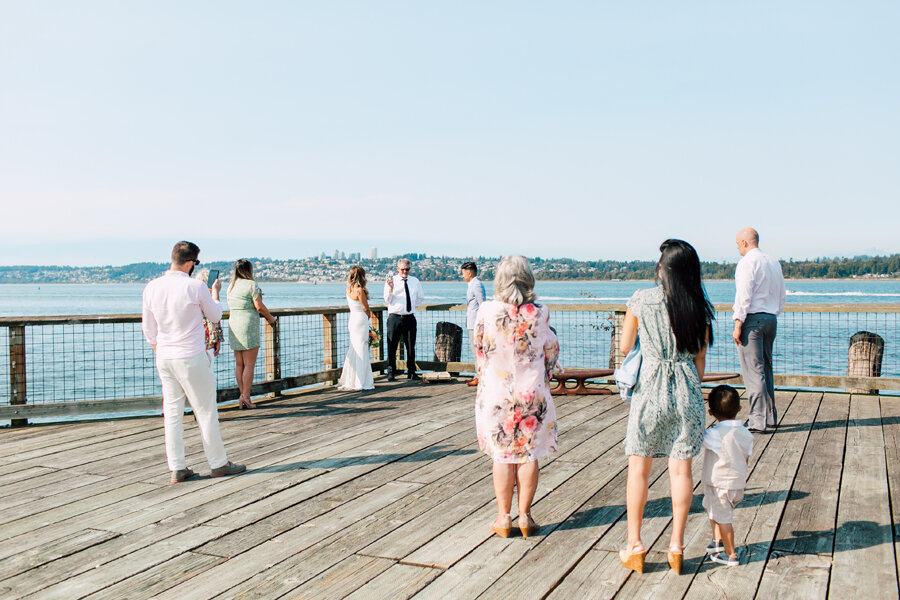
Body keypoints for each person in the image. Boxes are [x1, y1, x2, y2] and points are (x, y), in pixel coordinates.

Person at [618, 239, 714, 575]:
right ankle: (676, 546)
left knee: (638, 469)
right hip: (686, 387)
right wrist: (689, 380)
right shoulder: (699, 305)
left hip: (651, 388)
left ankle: (635, 544)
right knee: (681, 470)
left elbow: (626, 344)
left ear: (663, 268)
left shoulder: (642, 300)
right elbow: (700, 359)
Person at [142, 241, 245, 483]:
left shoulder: (152, 287)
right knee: (205, 411)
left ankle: (177, 467)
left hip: (165, 357)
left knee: (172, 413)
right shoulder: (195, 286)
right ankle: (218, 463)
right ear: (191, 263)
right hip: (191, 356)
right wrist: (215, 294)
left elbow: (149, 330)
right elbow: (216, 315)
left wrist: (161, 351)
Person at [474, 255, 559, 539]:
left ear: (500, 280)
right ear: (528, 279)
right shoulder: (541, 312)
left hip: (497, 393)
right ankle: (525, 516)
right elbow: (550, 352)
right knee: (528, 453)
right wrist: (543, 378)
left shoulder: (486, 311)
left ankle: (503, 517)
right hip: (531, 392)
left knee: (502, 454)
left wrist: (486, 376)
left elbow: (479, 350)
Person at [732, 227, 786, 433]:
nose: (737, 247)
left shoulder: (747, 263)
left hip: (752, 320)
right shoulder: (773, 262)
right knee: (766, 369)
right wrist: (774, 313)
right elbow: (782, 294)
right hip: (771, 318)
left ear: (745, 243)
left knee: (754, 372)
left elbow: (743, 295)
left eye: (738, 243)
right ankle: (770, 416)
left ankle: (757, 420)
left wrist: (738, 323)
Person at [702, 384, 753, 567]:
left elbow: (698, 440)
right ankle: (717, 541)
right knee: (711, 509)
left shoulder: (715, 434)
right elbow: (746, 456)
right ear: (739, 408)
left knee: (723, 519)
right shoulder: (746, 433)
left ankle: (731, 555)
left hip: (719, 484)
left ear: (710, 412)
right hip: (737, 484)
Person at [226, 259, 277, 409]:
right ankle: (246, 397)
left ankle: (243, 395)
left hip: (234, 324)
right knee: (249, 364)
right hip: (248, 325)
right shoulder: (251, 285)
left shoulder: (231, 286)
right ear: (249, 270)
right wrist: (271, 318)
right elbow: (259, 306)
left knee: (239, 363)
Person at [383, 258, 424, 381]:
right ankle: (391, 372)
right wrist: (390, 288)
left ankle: (411, 372)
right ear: (398, 269)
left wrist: (411, 307)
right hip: (394, 317)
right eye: (402, 269)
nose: (405, 271)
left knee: (410, 346)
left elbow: (420, 298)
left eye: (407, 269)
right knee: (392, 346)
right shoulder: (391, 281)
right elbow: (387, 300)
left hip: (409, 317)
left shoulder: (415, 281)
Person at [337, 266, 375, 391]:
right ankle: (360, 381)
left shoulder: (348, 289)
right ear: (362, 277)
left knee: (353, 349)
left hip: (352, 319)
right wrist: (368, 317)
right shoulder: (359, 290)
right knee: (362, 349)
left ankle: (350, 380)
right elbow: (365, 307)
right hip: (360, 320)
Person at [461, 261, 486, 387]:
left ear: (469, 273)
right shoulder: (472, 284)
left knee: (477, 350)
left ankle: (479, 376)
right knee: (475, 350)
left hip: (476, 323)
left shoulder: (476, 285)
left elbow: (482, 304)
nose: (463, 276)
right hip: (471, 322)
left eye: (464, 273)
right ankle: (478, 374)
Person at [196, 269, 224, 362]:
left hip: (194, 340)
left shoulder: (195, 297)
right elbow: (215, 319)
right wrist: (217, 339)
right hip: (207, 341)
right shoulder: (210, 298)